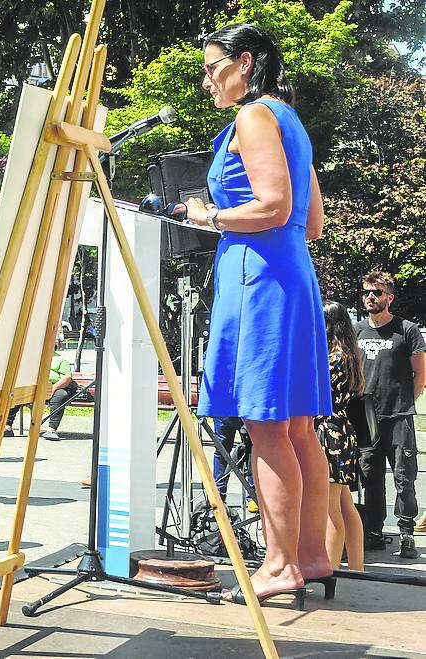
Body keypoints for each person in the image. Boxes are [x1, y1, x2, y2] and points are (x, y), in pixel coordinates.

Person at [184, 24, 332, 603]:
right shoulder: (290, 121)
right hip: (290, 275)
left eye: (212, 66)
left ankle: (279, 563)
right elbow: (311, 221)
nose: (206, 80)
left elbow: (273, 205)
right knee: (297, 428)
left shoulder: (252, 117)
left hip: (258, 281)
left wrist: (207, 215)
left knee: (266, 423)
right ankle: (314, 556)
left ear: (245, 63)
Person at [353, 271, 424, 558]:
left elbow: (420, 374)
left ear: (389, 297)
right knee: (369, 478)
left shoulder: (406, 330)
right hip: (365, 418)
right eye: (368, 292)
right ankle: (373, 531)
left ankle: (406, 533)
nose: (371, 296)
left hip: (398, 415)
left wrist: (407, 401)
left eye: (378, 292)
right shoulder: (356, 330)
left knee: (404, 478)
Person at [317, 300, 365, 573]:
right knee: (346, 504)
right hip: (342, 430)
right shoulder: (349, 355)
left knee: (330, 507)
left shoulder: (332, 359)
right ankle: (357, 568)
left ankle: (330, 568)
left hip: (329, 432)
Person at [6, 334, 78, 441]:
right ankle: (7, 427)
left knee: (60, 396)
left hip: (55, 386)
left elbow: (66, 378)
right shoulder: (34, 359)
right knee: (16, 394)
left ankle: (51, 429)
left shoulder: (61, 360)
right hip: (35, 386)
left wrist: (53, 388)